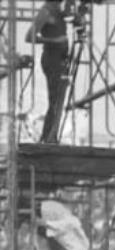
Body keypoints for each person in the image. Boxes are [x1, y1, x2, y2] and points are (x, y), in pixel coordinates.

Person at [24, 0, 71, 143]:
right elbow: (29, 36)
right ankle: (48, 137)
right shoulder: (46, 11)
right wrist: (54, 41)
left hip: (60, 59)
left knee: (57, 99)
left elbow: (69, 14)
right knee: (55, 99)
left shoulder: (58, 11)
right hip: (52, 59)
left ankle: (50, 136)